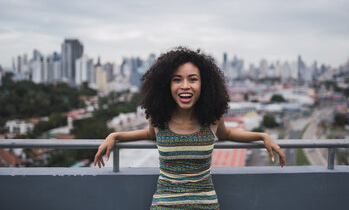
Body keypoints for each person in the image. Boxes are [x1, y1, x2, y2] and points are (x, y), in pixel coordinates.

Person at [94, 47, 286, 209]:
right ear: (166, 85)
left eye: (192, 79)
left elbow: (227, 134)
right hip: (165, 204)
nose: (185, 86)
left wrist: (262, 136)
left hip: (205, 203)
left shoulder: (212, 119)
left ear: (204, 85)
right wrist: (115, 135)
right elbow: (149, 134)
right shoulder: (158, 118)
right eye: (177, 79)